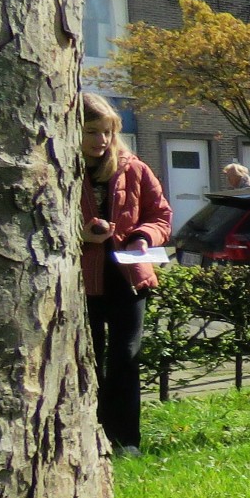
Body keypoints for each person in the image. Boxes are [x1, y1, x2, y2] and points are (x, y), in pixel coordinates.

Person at [79, 93, 172, 457]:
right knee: (86, 361)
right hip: (82, 281)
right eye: (90, 132)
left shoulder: (133, 168)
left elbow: (161, 215)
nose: (100, 140)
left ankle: (126, 442)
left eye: (106, 131)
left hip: (129, 278)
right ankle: (90, 436)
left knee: (125, 359)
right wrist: (80, 234)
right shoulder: (56, 168)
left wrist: (142, 236)